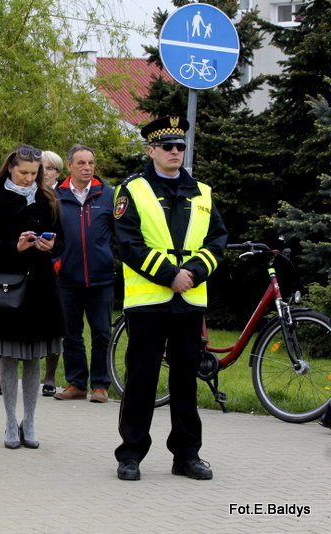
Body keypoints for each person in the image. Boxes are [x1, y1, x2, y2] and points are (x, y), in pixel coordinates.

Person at [113, 116, 227, 481]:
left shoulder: (203, 192)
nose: (176, 152)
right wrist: (168, 275)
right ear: (151, 151)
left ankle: (187, 455)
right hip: (148, 302)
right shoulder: (132, 189)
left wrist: (193, 272)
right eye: (168, 147)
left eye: (180, 147)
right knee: (142, 378)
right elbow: (127, 244)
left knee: (185, 381)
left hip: (189, 301)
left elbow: (217, 241)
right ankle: (130, 454)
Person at [0, 145, 64, 449]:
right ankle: (9, 424)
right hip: (8, 285)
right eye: (23, 172)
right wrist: (14, 247)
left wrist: (49, 246)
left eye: (34, 173)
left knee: (34, 358)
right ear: (11, 168)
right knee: (10, 356)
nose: (29, 178)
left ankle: (29, 421)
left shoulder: (47, 197)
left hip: (41, 286)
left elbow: (62, 241)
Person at [51, 145, 115, 403]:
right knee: (71, 333)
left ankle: (100, 385)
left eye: (90, 163)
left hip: (101, 278)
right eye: (81, 163)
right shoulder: (55, 196)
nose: (87, 168)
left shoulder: (108, 195)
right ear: (69, 166)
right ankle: (77, 383)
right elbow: (48, 232)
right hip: (68, 277)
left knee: (102, 333)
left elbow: (120, 233)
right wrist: (57, 262)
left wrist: (112, 260)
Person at [40, 150, 63, 396]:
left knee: (54, 325)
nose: (44, 172)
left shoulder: (62, 195)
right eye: (41, 167)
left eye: (49, 168)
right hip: (30, 264)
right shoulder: (28, 192)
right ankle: (0, 377)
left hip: (57, 265)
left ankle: (50, 376)